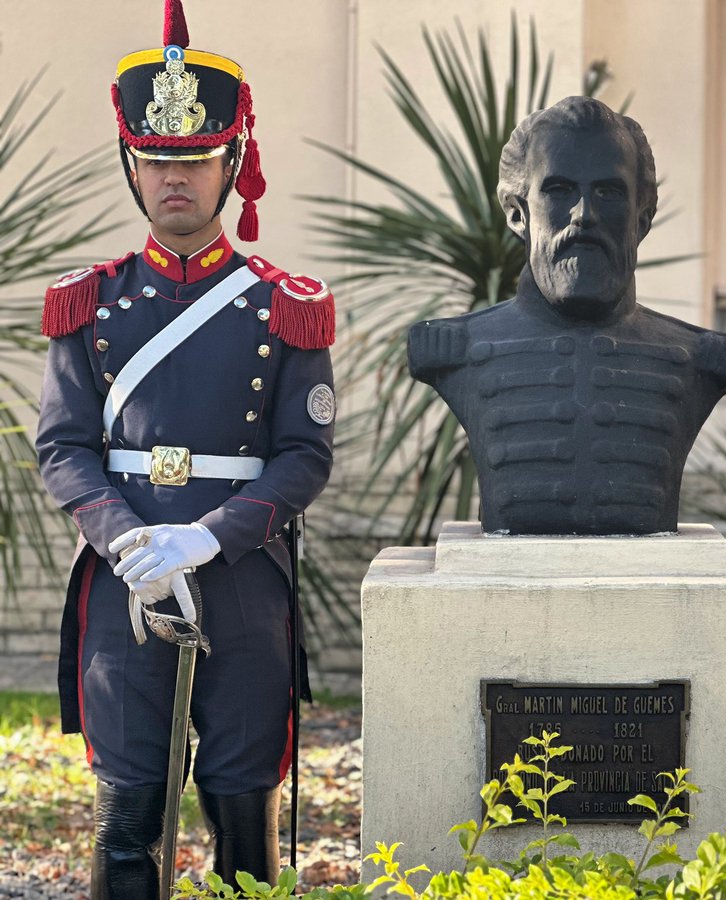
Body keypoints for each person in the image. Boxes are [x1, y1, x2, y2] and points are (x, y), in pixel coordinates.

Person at [35, 1, 335, 895]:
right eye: (158, 160)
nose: (176, 178)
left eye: (196, 159)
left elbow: (304, 454)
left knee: (241, 803)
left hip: (240, 581)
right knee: (127, 808)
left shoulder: (285, 305)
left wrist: (209, 537)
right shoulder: (89, 302)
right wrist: (126, 540)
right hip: (124, 583)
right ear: (132, 166)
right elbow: (61, 446)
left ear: (232, 163)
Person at [408, 96, 726, 536]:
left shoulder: (704, 359)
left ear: (642, 218)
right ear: (517, 213)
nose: (584, 215)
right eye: (559, 190)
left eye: (608, 192)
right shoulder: (451, 351)